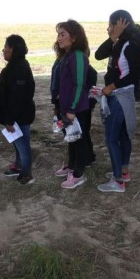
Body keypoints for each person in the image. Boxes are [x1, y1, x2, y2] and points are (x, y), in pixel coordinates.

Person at [95, 10, 140, 193]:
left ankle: (118, 180)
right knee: (121, 135)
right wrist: (113, 37)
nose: (108, 28)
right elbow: (98, 55)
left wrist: (112, 86)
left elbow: (135, 74)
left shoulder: (130, 45)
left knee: (112, 138)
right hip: (118, 95)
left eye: (112, 25)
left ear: (122, 24)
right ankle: (123, 171)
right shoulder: (118, 43)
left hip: (121, 97)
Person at [53, 21, 91, 189]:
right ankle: (71, 165)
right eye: (58, 34)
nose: (59, 38)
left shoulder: (77, 55)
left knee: (79, 141)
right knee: (71, 138)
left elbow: (79, 84)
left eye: (63, 34)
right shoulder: (66, 55)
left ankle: (78, 174)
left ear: (74, 37)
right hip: (67, 108)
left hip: (77, 109)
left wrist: (72, 109)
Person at [0, 34, 35, 185]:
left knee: (23, 144)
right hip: (14, 115)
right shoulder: (15, 65)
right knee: (17, 143)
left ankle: (26, 174)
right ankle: (18, 166)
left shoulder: (19, 68)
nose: (3, 49)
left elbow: (17, 98)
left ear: (13, 49)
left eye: (6, 46)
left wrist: (10, 120)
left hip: (19, 116)